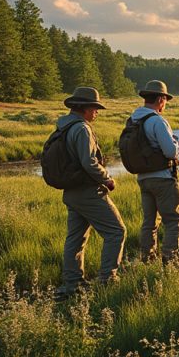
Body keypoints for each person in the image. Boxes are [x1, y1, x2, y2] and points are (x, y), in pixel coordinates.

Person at [51, 87, 126, 297]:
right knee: (116, 231)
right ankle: (108, 279)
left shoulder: (63, 127)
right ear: (84, 108)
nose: (97, 112)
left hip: (71, 192)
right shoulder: (82, 129)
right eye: (95, 108)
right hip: (87, 191)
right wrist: (108, 179)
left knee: (75, 238)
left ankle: (71, 284)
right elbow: (89, 162)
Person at [130, 80, 179, 263]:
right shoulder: (157, 121)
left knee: (149, 222)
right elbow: (169, 151)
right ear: (161, 99)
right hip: (163, 178)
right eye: (165, 99)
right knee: (173, 221)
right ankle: (170, 260)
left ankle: (147, 257)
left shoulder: (133, 119)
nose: (165, 103)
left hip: (143, 178)